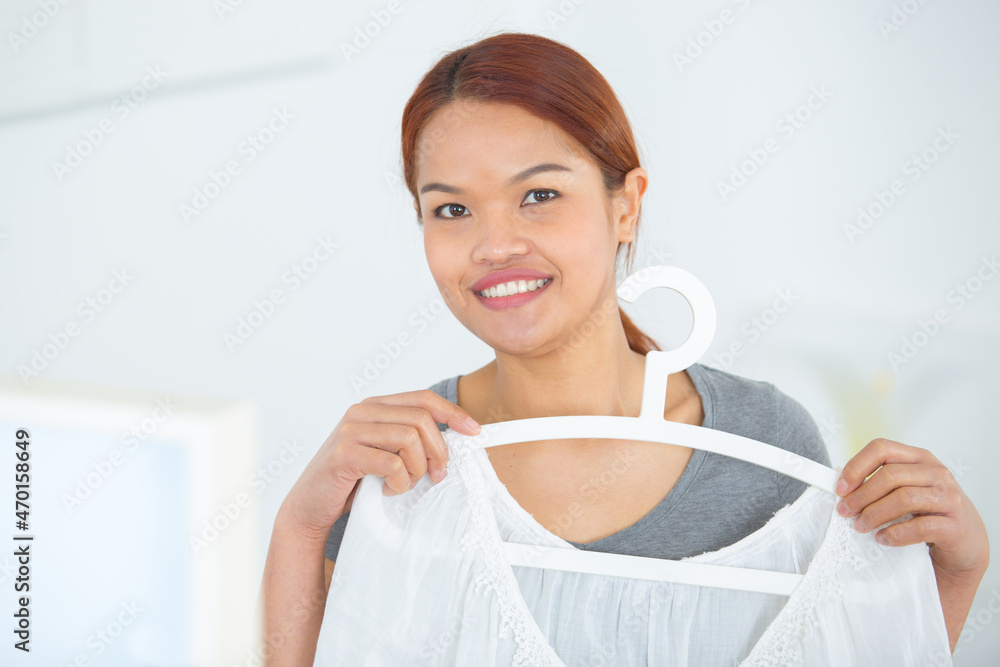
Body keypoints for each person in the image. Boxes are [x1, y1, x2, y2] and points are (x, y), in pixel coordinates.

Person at [258, 31, 989, 665]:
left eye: (539, 194)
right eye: (451, 209)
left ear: (626, 204)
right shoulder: (406, 466)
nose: (494, 245)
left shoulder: (760, 442)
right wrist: (301, 520)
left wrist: (957, 571)